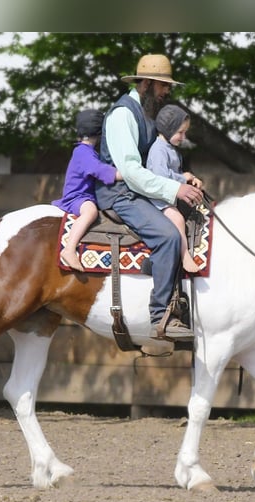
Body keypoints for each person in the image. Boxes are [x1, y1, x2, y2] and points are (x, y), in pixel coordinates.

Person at [95, 54, 204, 341]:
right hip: (120, 195)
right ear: (146, 84)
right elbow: (130, 171)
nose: (167, 91)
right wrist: (175, 189)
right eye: (163, 86)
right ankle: (162, 316)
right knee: (168, 236)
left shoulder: (146, 113)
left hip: (139, 191)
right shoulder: (122, 114)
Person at [52, 109, 121, 271]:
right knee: (90, 212)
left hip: (84, 195)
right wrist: (122, 174)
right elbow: (96, 170)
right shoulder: (83, 152)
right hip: (77, 197)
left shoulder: (87, 151)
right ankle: (69, 249)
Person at [146, 104, 203, 274]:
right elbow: (160, 176)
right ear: (168, 129)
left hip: (170, 194)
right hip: (159, 199)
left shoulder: (171, 149)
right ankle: (185, 256)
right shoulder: (158, 150)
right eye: (180, 132)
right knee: (177, 219)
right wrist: (183, 178)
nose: (183, 137)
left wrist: (191, 180)